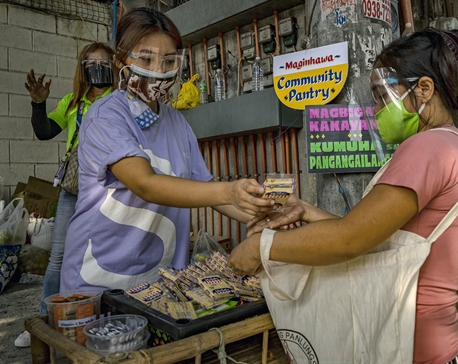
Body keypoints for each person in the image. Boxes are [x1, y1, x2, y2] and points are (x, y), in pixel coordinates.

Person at [230, 28, 458, 363]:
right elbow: (377, 236)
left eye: (383, 96)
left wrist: (260, 247)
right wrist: (307, 210)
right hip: (435, 343)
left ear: (424, 88)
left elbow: (350, 240)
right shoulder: (450, 144)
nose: (378, 109)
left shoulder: (429, 146)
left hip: (421, 350)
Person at [59, 8, 274, 293]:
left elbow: (205, 187)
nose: (158, 71)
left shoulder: (177, 122)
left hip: (162, 286)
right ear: (121, 59)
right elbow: (145, 184)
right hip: (98, 284)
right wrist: (230, 190)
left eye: (169, 61)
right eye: (146, 59)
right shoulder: (106, 116)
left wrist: (264, 215)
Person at [14, 42, 117, 348]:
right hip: (73, 190)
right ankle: (44, 319)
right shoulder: (74, 101)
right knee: (58, 256)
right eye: (91, 61)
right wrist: (38, 104)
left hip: (109, 191)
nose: (97, 66)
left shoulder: (122, 100)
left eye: (104, 61)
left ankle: (101, 318)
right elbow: (45, 131)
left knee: (103, 255)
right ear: (82, 68)